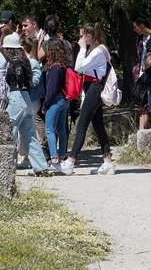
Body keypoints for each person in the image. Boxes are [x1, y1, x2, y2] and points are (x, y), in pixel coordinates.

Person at [0, 33, 50, 177]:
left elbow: (18, 73)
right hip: (26, 100)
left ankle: (3, 167)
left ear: (8, 49)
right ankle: (41, 168)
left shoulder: (15, 60)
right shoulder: (24, 60)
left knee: (7, 132)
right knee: (30, 136)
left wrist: (18, 82)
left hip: (17, 98)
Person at [60, 22, 115, 176]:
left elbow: (78, 67)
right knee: (98, 126)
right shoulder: (98, 49)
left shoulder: (97, 51)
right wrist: (84, 96)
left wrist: (82, 48)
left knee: (81, 126)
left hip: (95, 89)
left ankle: (70, 162)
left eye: (81, 36)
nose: (79, 39)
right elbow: (86, 75)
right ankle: (108, 162)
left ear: (88, 36)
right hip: (92, 90)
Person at [42, 38, 71, 171]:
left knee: (50, 129)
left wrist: (45, 105)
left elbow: (51, 89)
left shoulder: (54, 67)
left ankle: (54, 159)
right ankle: (62, 157)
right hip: (65, 99)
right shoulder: (64, 65)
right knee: (62, 130)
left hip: (55, 100)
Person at [21, 35, 47, 157]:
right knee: (26, 129)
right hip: (29, 99)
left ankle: (29, 156)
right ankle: (26, 155)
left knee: (28, 129)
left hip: (32, 99)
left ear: (23, 47)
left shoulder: (32, 62)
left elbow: (36, 80)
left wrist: (23, 80)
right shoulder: (28, 60)